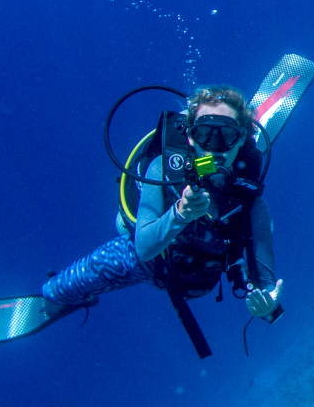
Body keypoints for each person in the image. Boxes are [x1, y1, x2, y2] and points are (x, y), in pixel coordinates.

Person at [42, 85, 283, 328]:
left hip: (204, 278)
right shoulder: (164, 169)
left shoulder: (249, 196)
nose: (214, 148)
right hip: (152, 265)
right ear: (190, 136)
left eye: (227, 135)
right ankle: (64, 299)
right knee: (55, 292)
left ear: (241, 138)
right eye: (205, 134)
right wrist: (180, 214)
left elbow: (265, 274)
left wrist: (269, 302)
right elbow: (143, 249)